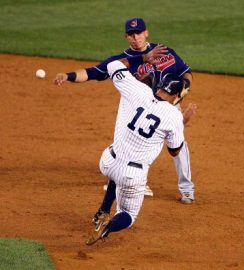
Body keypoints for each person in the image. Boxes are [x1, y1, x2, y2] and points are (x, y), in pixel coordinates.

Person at [54, 18, 195, 203]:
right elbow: (91, 72)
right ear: (126, 37)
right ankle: (124, 177)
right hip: (136, 109)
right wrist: (68, 75)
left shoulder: (166, 52)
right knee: (129, 140)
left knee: (178, 143)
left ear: (146, 33)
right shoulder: (121, 61)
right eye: (131, 34)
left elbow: (186, 73)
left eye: (139, 33)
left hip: (167, 105)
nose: (136, 38)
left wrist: (181, 92)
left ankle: (186, 189)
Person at [83, 46, 197, 245]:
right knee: (128, 214)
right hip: (132, 176)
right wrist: (183, 122)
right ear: (177, 96)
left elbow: (113, 65)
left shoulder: (138, 90)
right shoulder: (173, 117)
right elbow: (174, 151)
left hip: (108, 161)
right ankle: (107, 227)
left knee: (115, 169)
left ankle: (102, 212)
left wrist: (143, 58)